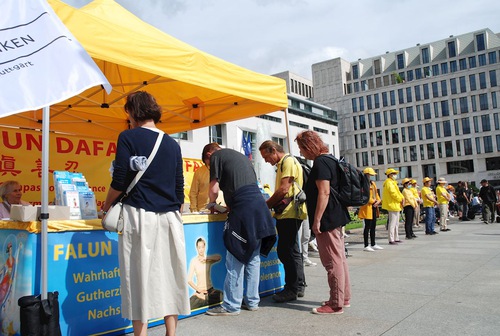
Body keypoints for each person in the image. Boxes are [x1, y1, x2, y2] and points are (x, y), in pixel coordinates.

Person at [101, 91, 190, 336]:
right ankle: (171, 333)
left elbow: (119, 180)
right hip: (170, 217)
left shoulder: (128, 137)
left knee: (138, 275)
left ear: (132, 111)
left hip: (139, 216)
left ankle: (141, 334)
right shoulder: (172, 143)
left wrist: (106, 205)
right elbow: (179, 185)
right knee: (170, 273)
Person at [202, 143, 276, 316]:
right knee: (253, 256)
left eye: (207, 164)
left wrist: (212, 203)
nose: (210, 167)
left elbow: (214, 188)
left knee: (235, 255)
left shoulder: (216, 157)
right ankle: (252, 301)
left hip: (244, 208)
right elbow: (239, 187)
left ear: (209, 154)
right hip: (258, 208)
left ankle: (231, 305)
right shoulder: (239, 156)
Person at [295, 130, 351, 315]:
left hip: (328, 217)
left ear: (309, 146)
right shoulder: (332, 159)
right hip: (337, 215)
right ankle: (343, 298)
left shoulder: (320, 162)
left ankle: (335, 304)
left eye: (302, 149)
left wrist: (317, 220)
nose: (302, 153)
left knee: (332, 261)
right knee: (340, 258)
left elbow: (324, 192)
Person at [258, 140, 307, 302]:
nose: (266, 161)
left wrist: (266, 206)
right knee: (292, 250)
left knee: (285, 251)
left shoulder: (288, 161)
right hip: (289, 212)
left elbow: (284, 189)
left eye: (266, 156)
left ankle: (291, 289)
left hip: (290, 212)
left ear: (273, 150)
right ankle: (298, 285)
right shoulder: (283, 163)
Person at [187, 238, 223, 310]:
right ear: (196, 248)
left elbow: (219, 257)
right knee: (189, 305)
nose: (201, 249)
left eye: (202, 247)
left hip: (210, 291)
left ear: (204, 247)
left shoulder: (208, 260)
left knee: (221, 296)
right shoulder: (194, 261)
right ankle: (204, 299)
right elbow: (189, 280)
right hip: (200, 293)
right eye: (199, 247)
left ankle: (205, 299)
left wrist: (206, 258)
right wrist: (199, 291)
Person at [358, 167, 383, 252]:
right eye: (370, 175)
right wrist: (374, 201)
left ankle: (373, 243)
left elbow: (376, 194)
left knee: (373, 226)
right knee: (367, 227)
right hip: (367, 207)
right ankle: (366, 245)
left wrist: (378, 201)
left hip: (374, 206)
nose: (371, 177)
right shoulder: (362, 184)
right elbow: (365, 196)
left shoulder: (373, 183)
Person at [381, 168, 404, 245]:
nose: (395, 175)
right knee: (392, 223)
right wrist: (401, 199)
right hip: (392, 204)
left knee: (396, 223)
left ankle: (396, 237)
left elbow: (398, 192)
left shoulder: (393, 182)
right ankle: (391, 239)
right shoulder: (389, 183)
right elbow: (393, 193)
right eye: (394, 173)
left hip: (395, 204)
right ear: (390, 175)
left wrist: (402, 198)